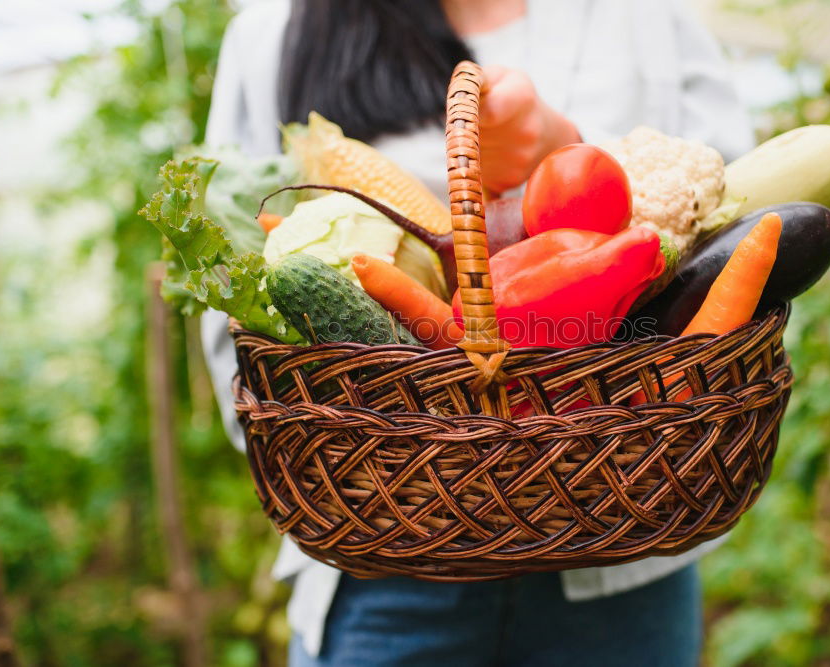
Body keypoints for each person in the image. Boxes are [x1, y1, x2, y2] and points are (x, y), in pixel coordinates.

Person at [201, 1, 753, 664]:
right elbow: (230, 307)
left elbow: (741, 234)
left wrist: (563, 143)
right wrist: (370, 468)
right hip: (385, 559)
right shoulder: (275, 34)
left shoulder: (648, 18)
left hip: (624, 549)